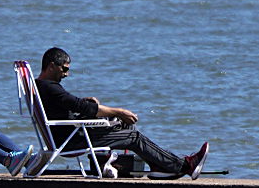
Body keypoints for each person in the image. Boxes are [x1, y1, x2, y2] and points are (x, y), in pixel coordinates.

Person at [31, 48, 207, 177]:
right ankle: (185, 165)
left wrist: (91, 105)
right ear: (52, 66)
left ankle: (159, 166)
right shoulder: (51, 88)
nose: (67, 74)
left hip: (69, 133)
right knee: (133, 137)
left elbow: (70, 104)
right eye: (65, 69)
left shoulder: (40, 86)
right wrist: (120, 111)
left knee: (122, 125)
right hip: (72, 140)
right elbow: (80, 107)